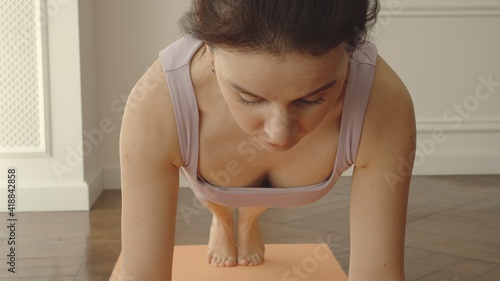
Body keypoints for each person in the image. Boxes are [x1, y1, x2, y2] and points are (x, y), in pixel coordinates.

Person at [110, 0, 416, 280]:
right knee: (219, 194)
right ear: (210, 51)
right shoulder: (156, 104)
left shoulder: (383, 103)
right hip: (211, 178)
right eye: (249, 99)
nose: (279, 135)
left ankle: (246, 219)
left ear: (350, 55)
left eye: (312, 99)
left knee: (255, 194)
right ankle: (223, 219)